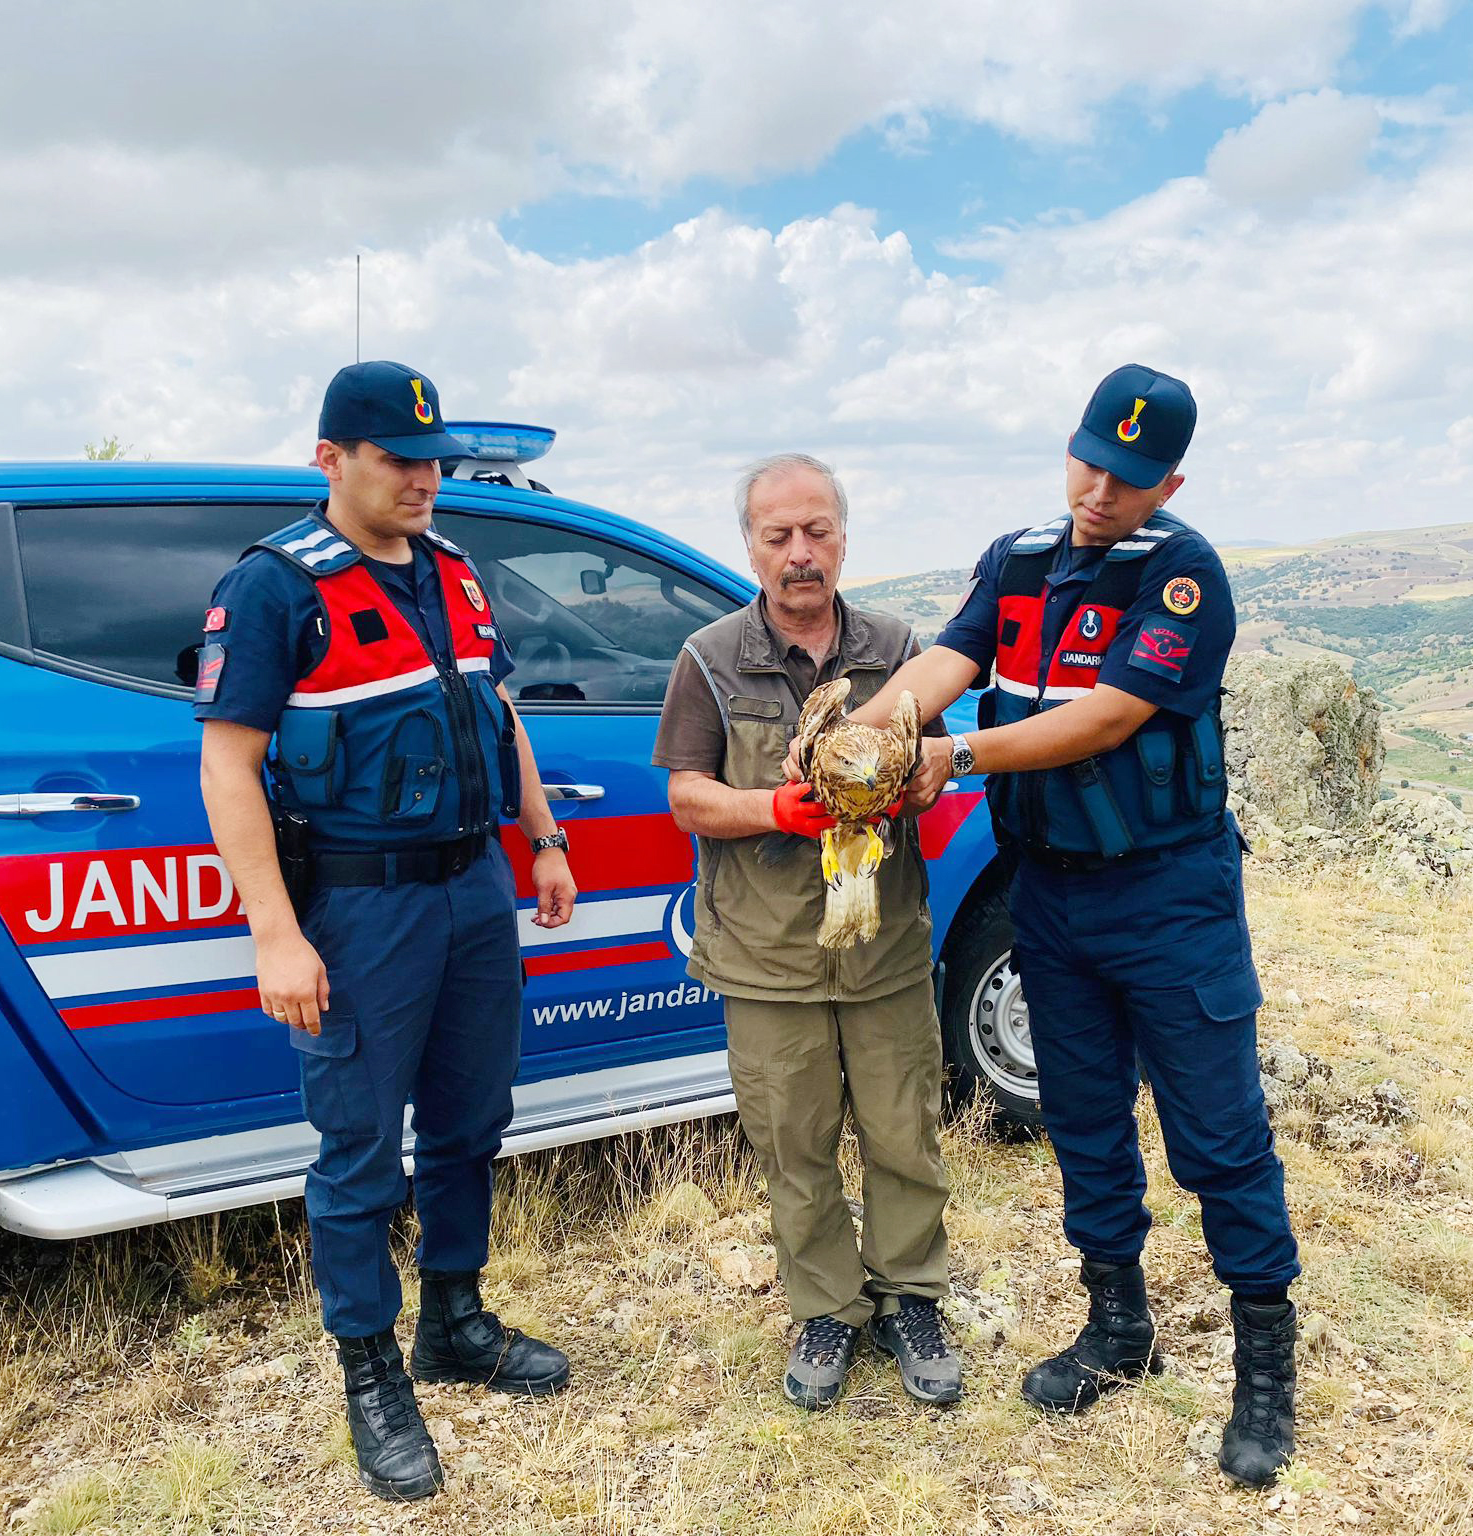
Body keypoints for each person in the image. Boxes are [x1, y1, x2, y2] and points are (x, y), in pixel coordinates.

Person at [834, 366, 1301, 1485]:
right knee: (1081, 1118)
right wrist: (868, 732)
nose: (1098, 489)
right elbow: (950, 659)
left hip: (1167, 898)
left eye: (1127, 477)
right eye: (1087, 461)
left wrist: (949, 756)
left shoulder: (1180, 575)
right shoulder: (1021, 560)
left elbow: (1106, 717)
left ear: (1168, 481)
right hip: (1049, 893)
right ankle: (1115, 1327)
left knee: (1215, 1137)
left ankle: (1263, 1367)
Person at [196, 361, 579, 1503]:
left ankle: (453, 1321)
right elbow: (228, 765)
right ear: (332, 460)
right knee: (359, 1153)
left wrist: (543, 837)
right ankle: (370, 1372)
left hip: (471, 891)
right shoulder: (274, 588)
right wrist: (275, 934)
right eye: (399, 460)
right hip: (358, 909)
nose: (424, 479)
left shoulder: (456, 571)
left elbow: (495, 710)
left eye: (432, 459)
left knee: (471, 1121)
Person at [654, 452, 960, 1411]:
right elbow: (686, 797)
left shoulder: (900, 648)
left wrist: (929, 773)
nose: (800, 553)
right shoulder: (707, 658)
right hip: (767, 952)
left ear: (842, 535)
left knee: (905, 1128)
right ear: (749, 544)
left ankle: (911, 1293)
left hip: (886, 949)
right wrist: (775, 811)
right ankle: (827, 1306)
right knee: (795, 1140)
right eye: (778, 535)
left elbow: (934, 764)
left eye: (817, 531)